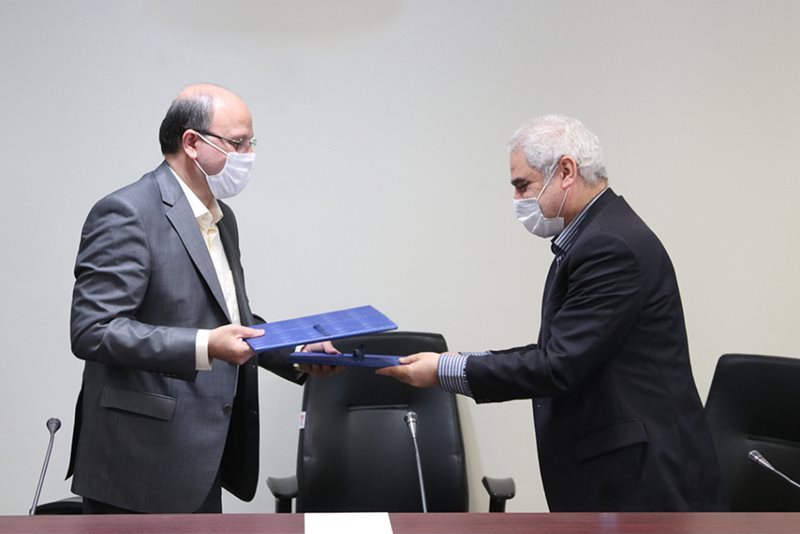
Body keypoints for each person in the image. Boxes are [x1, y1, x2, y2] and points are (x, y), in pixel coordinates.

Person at [378, 114, 725, 512]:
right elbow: (556, 352)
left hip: (646, 484)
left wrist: (445, 369)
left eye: (522, 185)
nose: (517, 200)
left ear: (565, 171)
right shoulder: (591, 239)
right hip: (625, 477)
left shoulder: (609, 246)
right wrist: (455, 361)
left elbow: (557, 366)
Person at [68, 83, 336, 514]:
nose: (248, 155)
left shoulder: (222, 218)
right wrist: (205, 345)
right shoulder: (126, 212)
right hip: (138, 462)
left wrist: (296, 351)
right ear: (192, 142)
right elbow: (94, 331)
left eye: (251, 143)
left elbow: (228, 318)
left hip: (203, 455)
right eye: (238, 143)